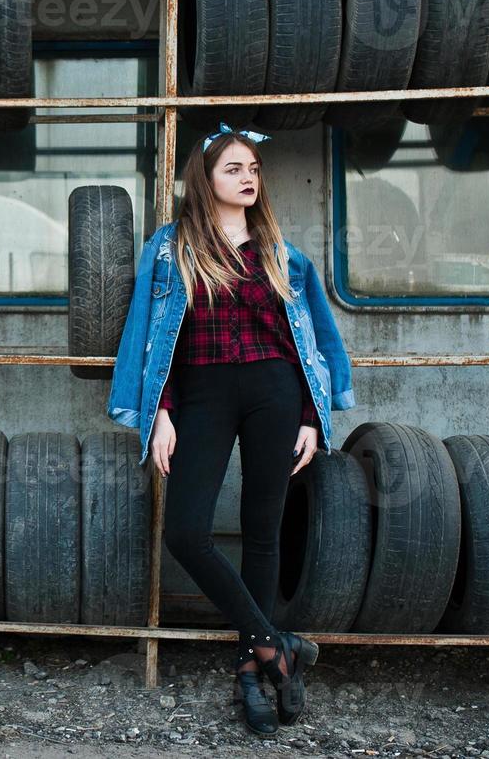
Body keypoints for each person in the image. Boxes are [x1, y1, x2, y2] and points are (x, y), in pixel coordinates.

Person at [104, 121, 358, 737]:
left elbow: (317, 342)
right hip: (204, 395)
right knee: (187, 531)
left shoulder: (281, 252)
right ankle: (279, 645)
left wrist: (309, 417)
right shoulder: (171, 249)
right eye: (233, 169)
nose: (248, 178)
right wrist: (158, 411)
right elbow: (147, 336)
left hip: (274, 393)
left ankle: (252, 667)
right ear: (205, 179)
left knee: (261, 530)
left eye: (253, 169)